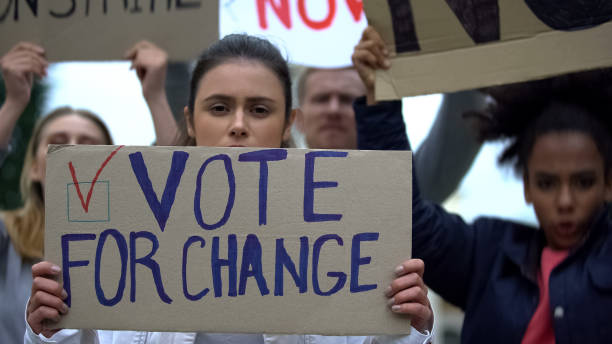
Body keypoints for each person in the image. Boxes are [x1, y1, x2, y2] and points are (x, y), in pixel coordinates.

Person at [24, 34, 433, 344]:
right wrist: (46, 329)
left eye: (259, 109)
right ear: (190, 120)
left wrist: (408, 328)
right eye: (219, 108)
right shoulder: (128, 240)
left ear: (288, 123)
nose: (238, 124)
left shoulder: (341, 244)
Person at [353, 26, 612, 343]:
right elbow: (405, 218)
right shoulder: (486, 253)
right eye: (546, 183)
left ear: (608, 184)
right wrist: (380, 102)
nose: (565, 201)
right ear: (526, 186)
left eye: (583, 182)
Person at [0, 41, 177, 344]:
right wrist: (14, 102)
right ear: (33, 167)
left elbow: (181, 179)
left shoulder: (134, 245)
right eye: (58, 140)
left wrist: (156, 96)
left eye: (89, 143)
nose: (74, 149)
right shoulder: (7, 236)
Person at [295, 65, 485, 204]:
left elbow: (464, 120)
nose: (333, 109)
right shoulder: (270, 191)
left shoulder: (406, 189)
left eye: (347, 100)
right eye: (321, 99)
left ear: (370, 113)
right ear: (297, 119)